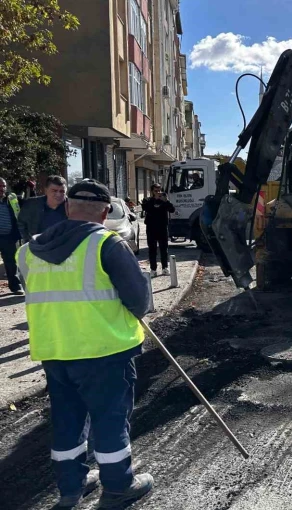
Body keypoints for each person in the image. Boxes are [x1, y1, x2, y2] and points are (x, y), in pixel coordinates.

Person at [16, 179, 153, 508]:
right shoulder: (108, 244)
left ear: (67, 207)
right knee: (110, 420)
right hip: (105, 352)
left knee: (67, 420)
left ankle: (71, 488)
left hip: (55, 352)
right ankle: (118, 486)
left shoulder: (26, 253)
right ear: (105, 212)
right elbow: (140, 301)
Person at [17, 175, 67, 242]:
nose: (58, 194)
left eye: (62, 191)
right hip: (37, 248)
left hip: (63, 248)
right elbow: (21, 223)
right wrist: (28, 240)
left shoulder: (72, 207)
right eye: (54, 191)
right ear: (46, 190)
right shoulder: (32, 204)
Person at [141, 183, 175, 277]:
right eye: (156, 191)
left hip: (162, 227)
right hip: (151, 228)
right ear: (152, 191)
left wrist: (166, 201)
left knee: (164, 249)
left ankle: (165, 268)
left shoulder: (164, 200)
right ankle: (153, 269)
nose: (158, 192)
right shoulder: (147, 200)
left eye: (159, 190)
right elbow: (146, 208)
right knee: (152, 249)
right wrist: (155, 199)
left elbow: (172, 210)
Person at [0, 178, 23, 295]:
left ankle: (16, 286)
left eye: (3, 186)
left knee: (11, 262)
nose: (2, 189)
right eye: (0, 186)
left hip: (8, 236)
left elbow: (24, 206)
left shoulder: (11, 199)